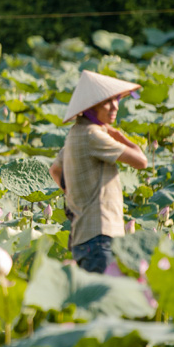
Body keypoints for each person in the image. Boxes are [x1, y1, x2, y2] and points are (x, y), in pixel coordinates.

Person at [49, 70, 147, 273]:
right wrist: (119, 135)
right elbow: (141, 161)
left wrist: (77, 198)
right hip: (101, 238)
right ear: (91, 107)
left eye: (117, 100)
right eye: (107, 102)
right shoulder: (94, 135)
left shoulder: (75, 134)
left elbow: (55, 169)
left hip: (84, 237)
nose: (115, 107)